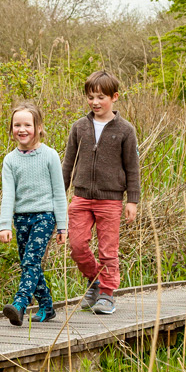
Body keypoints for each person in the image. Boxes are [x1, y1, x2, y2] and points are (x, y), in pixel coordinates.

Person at [62, 70, 141, 315]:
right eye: (90, 97)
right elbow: (67, 163)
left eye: (101, 97)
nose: (95, 102)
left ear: (114, 97)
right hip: (81, 196)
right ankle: (95, 279)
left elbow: (132, 167)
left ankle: (106, 294)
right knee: (76, 246)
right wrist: (57, 196)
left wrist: (133, 201)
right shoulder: (79, 127)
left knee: (108, 249)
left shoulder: (125, 130)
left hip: (111, 198)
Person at [0, 102, 69, 325]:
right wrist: (5, 225)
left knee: (30, 261)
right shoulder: (10, 160)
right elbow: (8, 195)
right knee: (30, 264)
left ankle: (20, 304)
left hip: (44, 217)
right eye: (17, 125)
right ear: (11, 129)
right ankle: (47, 307)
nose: (22, 129)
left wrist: (62, 226)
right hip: (21, 219)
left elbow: (59, 192)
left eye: (27, 124)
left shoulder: (49, 155)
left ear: (38, 127)